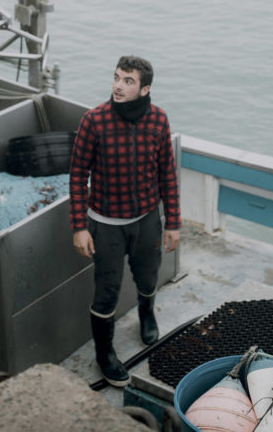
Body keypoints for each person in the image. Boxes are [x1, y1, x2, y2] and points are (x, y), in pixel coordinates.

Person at [69, 55, 181, 387]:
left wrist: (172, 221)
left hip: (147, 220)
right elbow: (77, 176)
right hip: (105, 225)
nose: (118, 85)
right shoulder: (94, 121)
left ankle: (147, 315)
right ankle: (104, 355)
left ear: (145, 88)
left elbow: (167, 174)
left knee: (149, 276)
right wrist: (78, 226)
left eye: (128, 81)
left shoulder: (159, 119)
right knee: (107, 292)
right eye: (117, 77)